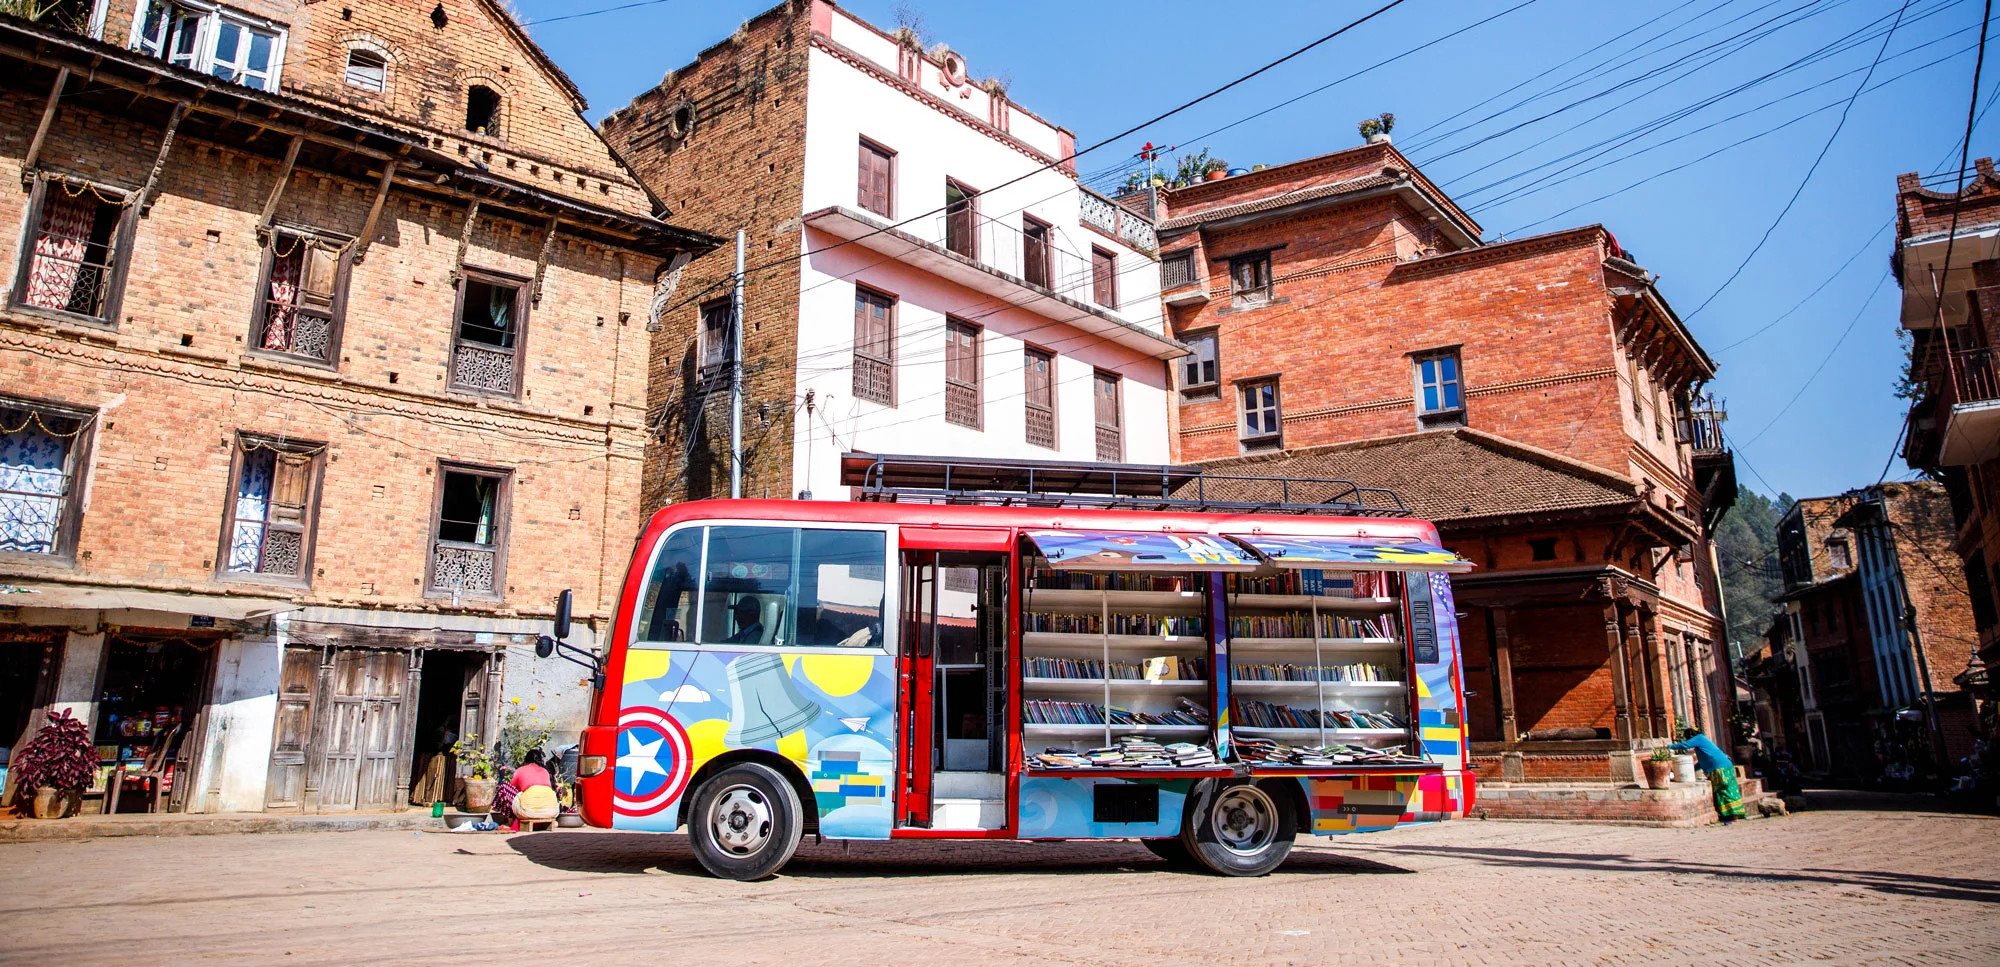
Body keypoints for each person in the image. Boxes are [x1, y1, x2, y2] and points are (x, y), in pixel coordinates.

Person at [1670, 727, 1747, 824]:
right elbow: (1701, 763)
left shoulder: (1699, 738)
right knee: (1729, 790)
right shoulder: (1702, 747)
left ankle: (1729, 816)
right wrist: (1689, 771)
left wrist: (1669, 746)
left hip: (1719, 768)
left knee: (1723, 790)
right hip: (1726, 766)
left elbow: (1685, 745)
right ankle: (1733, 815)